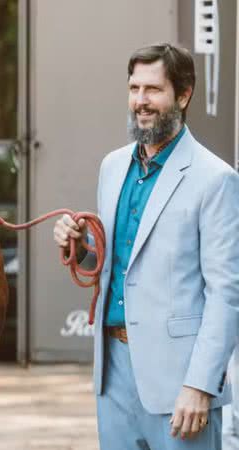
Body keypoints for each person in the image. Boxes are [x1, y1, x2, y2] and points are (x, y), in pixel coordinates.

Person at [54, 43, 239, 449]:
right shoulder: (112, 166)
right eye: (134, 88)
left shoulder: (215, 179)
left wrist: (201, 385)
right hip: (114, 374)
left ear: (184, 94)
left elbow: (226, 293)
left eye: (153, 89)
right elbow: (114, 263)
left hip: (180, 382)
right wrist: (79, 245)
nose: (141, 101)